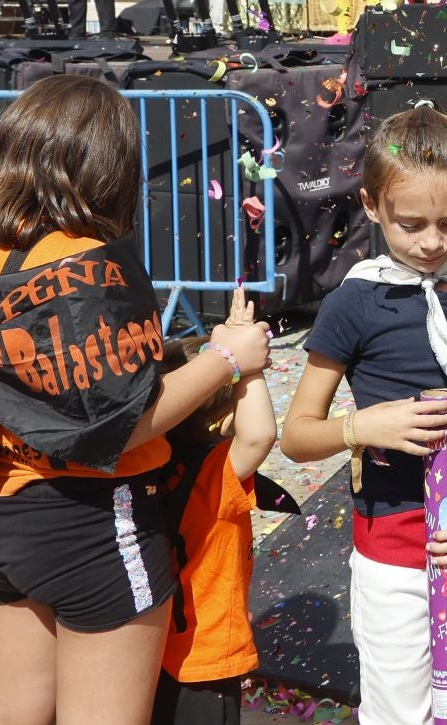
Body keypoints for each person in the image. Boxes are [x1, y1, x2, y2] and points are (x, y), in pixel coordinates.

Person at [0, 75, 272, 725]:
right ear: (106, 167)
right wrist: (227, 357)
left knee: (14, 712)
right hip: (91, 521)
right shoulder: (84, 264)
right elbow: (122, 423)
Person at [280, 105, 447, 725]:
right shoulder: (354, 304)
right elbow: (296, 435)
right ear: (371, 205)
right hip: (393, 534)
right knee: (401, 701)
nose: (431, 242)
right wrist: (361, 428)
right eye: (411, 223)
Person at [152, 288, 278, 725]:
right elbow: (259, 436)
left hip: (147, 647)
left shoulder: (147, 463)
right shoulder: (213, 475)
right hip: (203, 656)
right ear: (224, 420)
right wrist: (245, 366)